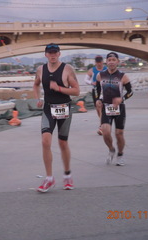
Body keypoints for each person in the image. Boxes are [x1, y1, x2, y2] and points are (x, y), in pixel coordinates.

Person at [33, 43, 80, 193]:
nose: (52, 55)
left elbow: (76, 91)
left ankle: (67, 175)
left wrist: (58, 88)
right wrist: (37, 98)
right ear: (46, 54)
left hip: (64, 108)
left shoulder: (67, 69)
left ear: (59, 54)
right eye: (50, 53)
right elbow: (35, 85)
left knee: (62, 143)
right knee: (45, 141)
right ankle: (49, 178)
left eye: (55, 52)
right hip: (48, 108)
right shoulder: (41, 69)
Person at [96, 52, 133, 166]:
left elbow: (130, 92)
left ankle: (120, 154)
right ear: (106, 62)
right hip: (106, 106)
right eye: (109, 60)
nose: (111, 62)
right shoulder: (100, 76)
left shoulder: (123, 76)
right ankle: (111, 149)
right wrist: (98, 99)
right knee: (106, 132)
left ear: (117, 61)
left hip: (119, 108)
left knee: (119, 133)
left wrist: (121, 99)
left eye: (113, 60)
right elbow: (97, 90)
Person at [84, 55, 107, 135]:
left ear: (102, 62)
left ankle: (102, 125)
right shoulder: (92, 70)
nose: (99, 64)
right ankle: (102, 122)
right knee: (98, 107)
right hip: (96, 90)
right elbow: (85, 79)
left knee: (103, 107)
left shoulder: (106, 69)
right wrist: (91, 82)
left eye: (100, 62)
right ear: (95, 63)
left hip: (105, 90)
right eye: (97, 62)